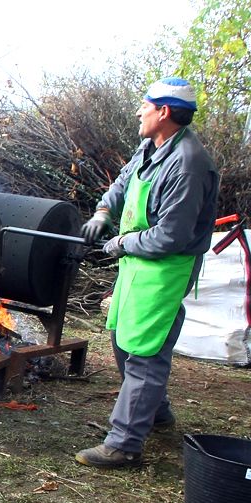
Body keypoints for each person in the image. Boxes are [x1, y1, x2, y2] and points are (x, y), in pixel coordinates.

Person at [76, 76, 219, 468]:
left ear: (164, 112)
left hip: (165, 267)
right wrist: (104, 211)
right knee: (123, 339)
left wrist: (121, 243)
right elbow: (124, 182)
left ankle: (124, 444)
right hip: (138, 264)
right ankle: (155, 411)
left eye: (146, 105)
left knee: (144, 353)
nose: (139, 111)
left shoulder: (188, 165)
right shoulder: (152, 146)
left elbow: (170, 237)